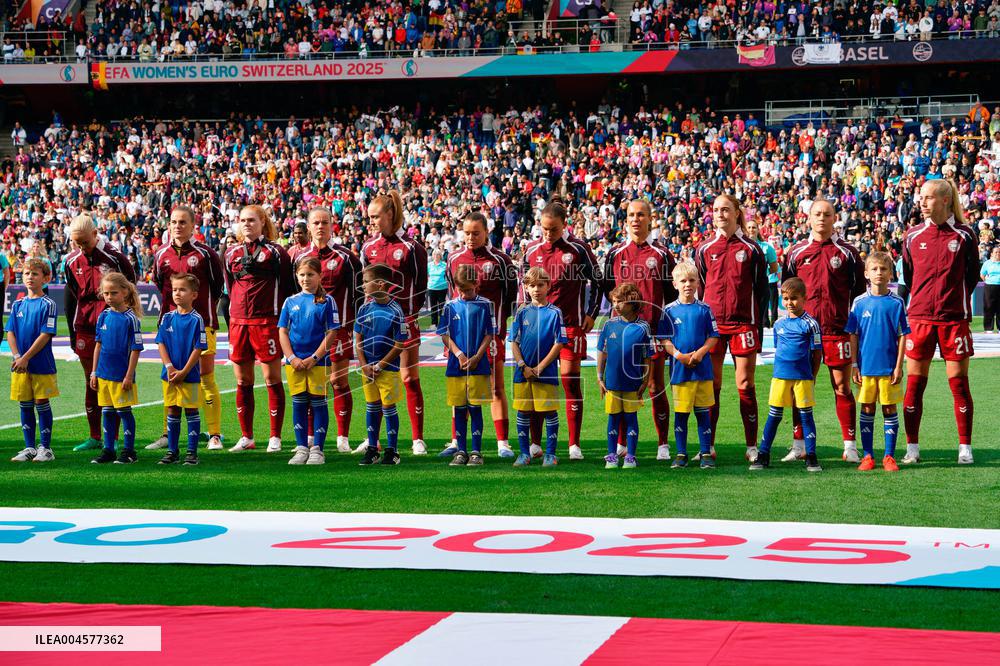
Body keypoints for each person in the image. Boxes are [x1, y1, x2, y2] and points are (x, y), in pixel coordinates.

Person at [902, 180, 980, 465]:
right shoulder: (911, 235)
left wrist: (952, 301)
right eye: (920, 197)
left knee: (959, 385)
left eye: (928, 198)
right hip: (919, 318)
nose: (922, 202)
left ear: (946, 200)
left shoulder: (965, 235)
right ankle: (912, 448)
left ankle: (965, 448)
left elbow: (971, 275)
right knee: (914, 387)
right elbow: (909, 278)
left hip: (953, 321)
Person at [782, 199, 866, 464]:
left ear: (834, 218)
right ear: (809, 217)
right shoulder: (796, 252)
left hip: (837, 331)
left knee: (842, 387)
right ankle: (799, 445)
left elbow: (858, 293)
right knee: (800, 388)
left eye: (827, 214)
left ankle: (850, 446)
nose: (821, 218)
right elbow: (788, 291)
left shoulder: (848, 253)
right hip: (803, 334)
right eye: (817, 214)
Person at [521, 197, 599, 460]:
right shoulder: (531, 251)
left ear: (564, 225)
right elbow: (524, 287)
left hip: (570, 327)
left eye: (553, 229)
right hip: (538, 330)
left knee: (569, 381)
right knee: (537, 381)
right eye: (544, 228)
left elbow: (598, 281)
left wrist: (591, 313)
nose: (548, 233)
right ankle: (534, 443)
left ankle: (574, 444)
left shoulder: (578, 249)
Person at [600, 199, 677, 460]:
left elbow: (670, 295)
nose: (636, 219)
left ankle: (663, 444)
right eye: (632, 215)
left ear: (650, 219)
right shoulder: (614, 253)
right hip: (621, 333)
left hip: (652, 332)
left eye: (641, 214)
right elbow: (609, 290)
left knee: (655, 386)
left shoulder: (663, 254)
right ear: (625, 220)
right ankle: (621, 444)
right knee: (620, 384)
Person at [694, 194, 768, 462]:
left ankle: (751, 446)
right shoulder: (703, 248)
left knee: (745, 384)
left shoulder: (752, 249)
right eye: (716, 210)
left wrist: (757, 327)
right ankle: (708, 445)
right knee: (711, 385)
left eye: (726, 209)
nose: (720, 214)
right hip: (713, 327)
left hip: (743, 325)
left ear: (738, 213)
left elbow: (761, 291)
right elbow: (702, 286)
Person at [148, 205, 225, 452]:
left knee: (205, 377)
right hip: (171, 327)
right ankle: (167, 433)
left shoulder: (206, 254)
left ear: (193, 225)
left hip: (202, 323)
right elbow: (161, 284)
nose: (178, 226)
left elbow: (217, 286)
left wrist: (202, 315)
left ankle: (214, 434)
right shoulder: (161, 254)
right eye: (174, 222)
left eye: (183, 222)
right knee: (170, 377)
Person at [361, 191, 429, 456]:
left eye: (376, 216)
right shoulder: (368, 247)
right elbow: (365, 287)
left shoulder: (413, 248)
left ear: (390, 214)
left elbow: (421, 286)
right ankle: (373, 440)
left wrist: (407, 314)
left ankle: (417, 439)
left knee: (409, 378)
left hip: (403, 323)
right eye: (370, 217)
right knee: (374, 379)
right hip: (374, 326)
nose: (372, 221)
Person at [444, 211, 517, 458]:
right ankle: (457, 442)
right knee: (460, 389)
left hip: (489, 337)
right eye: (467, 233)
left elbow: (510, 297)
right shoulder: (453, 258)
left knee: (495, 387)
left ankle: (502, 443)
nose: (471, 237)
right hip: (459, 339)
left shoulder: (501, 260)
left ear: (487, 232)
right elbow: (450, 296)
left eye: (476, 233)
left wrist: (500, 329)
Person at [224, 204, 294, 454]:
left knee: (271, 378)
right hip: (238, 322)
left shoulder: (276, 252)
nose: (247, 224)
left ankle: (275, 436)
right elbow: (229, 284)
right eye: (243, 220)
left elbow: (288, 287)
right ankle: (247, 436)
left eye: (252, 220)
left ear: (263, 222)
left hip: (266, 323)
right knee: (243, 380)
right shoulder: (231, 253)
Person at [64, 214, 136, 452]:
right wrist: (73, 333)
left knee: (113, 380)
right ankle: (96, 435)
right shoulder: (71, 261)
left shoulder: (115, 258)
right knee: (92, 381)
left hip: (112, 328)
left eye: (85, 241)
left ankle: (112, 438)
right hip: (85, 326)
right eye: (77, 243)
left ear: (95, 234)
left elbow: (130, 285)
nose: (81, 247)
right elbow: (72, 294)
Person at [298, 207, 363, 453]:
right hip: (307, 333)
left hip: (339, 331)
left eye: (325, 222)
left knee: (338, 381)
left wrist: (350, 322)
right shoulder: (299, 257)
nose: (320, 226)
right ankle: (314, 435)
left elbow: (359, 292)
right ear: (309, 226)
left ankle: (342, 436)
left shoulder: (346, 257)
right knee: (313, 385)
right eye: (316, 222)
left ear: (332, 224)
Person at [750, 277, 823, 472]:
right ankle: (763, 454)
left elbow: (817, 354)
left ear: (804, 298)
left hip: (803, 378)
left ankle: (812, 455)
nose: (790, 303)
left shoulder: (811, 324)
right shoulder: (779, 324)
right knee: (774, 415)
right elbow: (778, 348)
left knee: (806, 417)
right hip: (780, 376)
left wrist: (812, 375)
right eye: (786, 298)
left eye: (794, 298)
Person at [846, 252, 909, 472]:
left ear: (891, 274)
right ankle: (868, 455)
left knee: (890, 409)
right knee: (867, 408)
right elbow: (853, 334)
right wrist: (854, 364)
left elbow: (902, 335)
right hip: (865, 368)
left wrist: (899, 365)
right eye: (874, 269)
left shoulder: (897, 302)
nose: (879, 273)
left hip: (889, 368)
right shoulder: (859, 302)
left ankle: (889, 456)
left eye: (883, 269)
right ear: (866, 274)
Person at [658, 262, 719, 469]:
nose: (687, 285)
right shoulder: (668, 310)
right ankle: (681, 454)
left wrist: (701, 353)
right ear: (674, 284)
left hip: (702, 371)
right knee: (681, 414)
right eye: (683, 281)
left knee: (703, 413)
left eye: (692, 280)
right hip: (680, 371)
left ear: (698, 283)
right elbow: (664, 340)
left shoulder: (705, 309)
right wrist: (679, 355)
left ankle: (705, 454)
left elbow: (713, 337)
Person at [279, 256, 339, 466]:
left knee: (318, 403)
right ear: (296, 276)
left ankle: (318, 449)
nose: (306, 278)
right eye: (302, 274)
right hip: (294, 364)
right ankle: (301, 447)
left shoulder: (327, 300)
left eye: (311, 274)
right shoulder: (290, 301)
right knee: (298, 404)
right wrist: (292, 357)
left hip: (319, 363)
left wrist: (315, 357)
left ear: (320, 276)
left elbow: (332, 333)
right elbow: (283, 332)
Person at [437, 263, 495, 466]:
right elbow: (444, 334)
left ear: (476, 285)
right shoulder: (449, 306)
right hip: (456, 366)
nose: (464, 294)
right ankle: (461, 451)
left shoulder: (486, 305)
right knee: (459, 408)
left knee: (475, 407)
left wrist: (479, 355)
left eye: (468, 290)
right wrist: (459, 354)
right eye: (461, 290)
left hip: (479, 365)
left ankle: (476, 451)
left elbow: (489, 333)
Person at [510, 266, 566, 468]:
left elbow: (559, 343)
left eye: (540, 285)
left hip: (547, 372)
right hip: (522, 373)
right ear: (525, 287)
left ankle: (550, 454)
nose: (536, 289)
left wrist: (541, 366)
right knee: (523, 412)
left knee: (550, 411)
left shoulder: (555, 313)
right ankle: (524, 453)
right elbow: (514, 342)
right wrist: (523, 365)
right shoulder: (521, 312)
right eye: (531, 285)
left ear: (548, 286)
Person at [355, 263, 408, 466]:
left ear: (381, 284)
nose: (364, 286)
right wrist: (364, 365)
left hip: (388, 370)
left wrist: (380, 365)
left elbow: (399, 344)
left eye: (366, 282)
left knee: (388, 407)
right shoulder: (364, 307)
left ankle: (392, 451)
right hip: (367, 369)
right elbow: (358, 338)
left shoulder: (395, 310)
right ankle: (372, 449)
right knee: (371, 406)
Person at [6, 258, 58, 463]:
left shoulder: (49, 304)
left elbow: (45, 334)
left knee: (41, 402)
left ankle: (45, 448)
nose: (29, 277)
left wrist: (26, 357)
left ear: (46, 278)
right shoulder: (18, 303)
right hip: (20, 365)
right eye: (27, 273)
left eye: (35, 274)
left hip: (41, 364)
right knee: (24, 403)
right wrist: (18, 357)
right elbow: (10, 331)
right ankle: (29, 447)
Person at [89, 272, 144, 465]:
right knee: (107, 412)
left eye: (113, 293)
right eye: (106, 293)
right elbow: (98, 345)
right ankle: (108, 449)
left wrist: (129, 375)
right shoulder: (103, 315)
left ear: (125, 293)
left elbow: (136, 349)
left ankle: (129, 451)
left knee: (124, 412)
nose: (109, 297)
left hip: (121, 376)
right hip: (103, 374)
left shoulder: (131, 319)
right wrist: (94, 372)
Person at [597, 282, 652, 469]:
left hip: (632, 383)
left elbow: (647, 357)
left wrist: (645, 380)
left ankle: (631, 456)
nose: (616, 306)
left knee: (631, 419)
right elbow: (602, 353)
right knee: (613, 418)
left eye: (620, 301)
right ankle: (611, 455)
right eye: (613, 302)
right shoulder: (609, 325)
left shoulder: (643, 327)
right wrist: (599, 377)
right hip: (612, 383)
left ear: (632, 301)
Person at [155, 273, 208, 466]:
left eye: (182, 289)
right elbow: (160, 343)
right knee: (172, 409)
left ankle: (192, 452)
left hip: (189, 375)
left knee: (191, 410)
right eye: (175, 289)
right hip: (168, 375)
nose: (177, 293)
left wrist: (184, 371)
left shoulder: (196, 319)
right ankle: (172, 451)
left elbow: (199, 348)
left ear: (194, 295)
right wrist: (169, 367)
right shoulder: (167, 317)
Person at [746, 219, 780, 327]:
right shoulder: (740, 246)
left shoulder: (767, 247)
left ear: (758, 230)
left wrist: (763, 273)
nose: (751, 230)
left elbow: (774, 267)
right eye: (749, 227)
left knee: (760, 317)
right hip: (745, 287)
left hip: (762, 285)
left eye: (754, 227)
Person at [980, 246, 1000, 333]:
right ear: (991, 254)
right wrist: (987, 281)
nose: (998, 254)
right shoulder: (987, 263)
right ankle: (988, 328)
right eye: (996, 252)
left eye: (999, 252)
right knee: (988, 307)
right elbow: (982, 274)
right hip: (990, 287)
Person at [428, 249, 448, 327]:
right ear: (433, 256)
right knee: (433, 307)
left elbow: (448, 275)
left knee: (442, 307)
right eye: (435, 254)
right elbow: (426, 275)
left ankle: (442, 323)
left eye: (438, 254)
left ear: (440, 256)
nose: (436, 256)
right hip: (432, 288)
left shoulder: (444, 265)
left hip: (442, 288)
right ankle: (434, 323)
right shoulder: (429, 265)